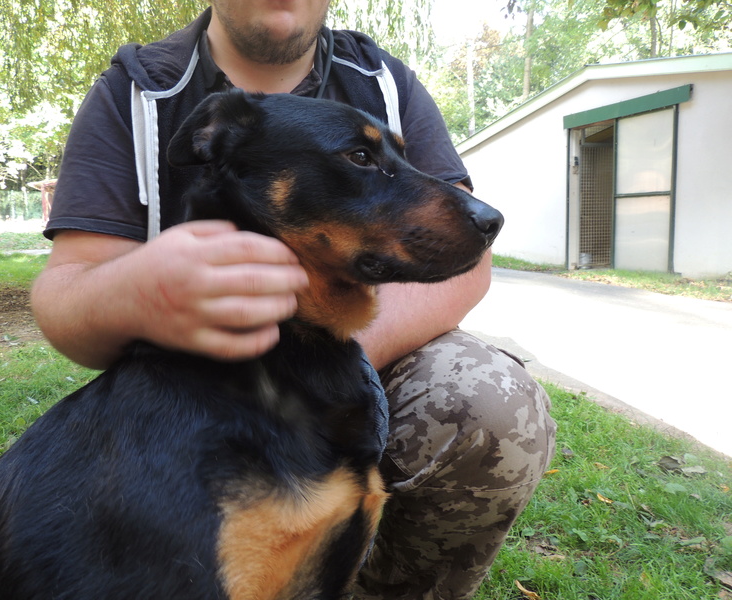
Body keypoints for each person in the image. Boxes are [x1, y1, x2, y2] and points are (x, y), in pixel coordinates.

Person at [31, 1, 556, 598]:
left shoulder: (381, 78)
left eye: (392, 159)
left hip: (352, 355)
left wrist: (337, 363)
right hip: (193, 378)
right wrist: (135, 286)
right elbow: (67, 288)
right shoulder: (138, 89)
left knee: (490, 396)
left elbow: (468, 258)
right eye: (362, 159)